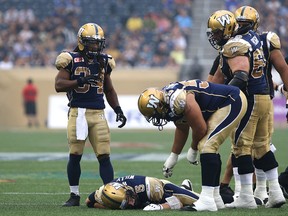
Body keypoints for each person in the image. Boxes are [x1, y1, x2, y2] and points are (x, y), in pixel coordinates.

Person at [207, 9, 286, 209]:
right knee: (262, 146)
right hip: (265, 97)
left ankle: (246, 196)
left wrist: (224, 99)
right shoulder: (259, 40)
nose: (215, 36)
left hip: (249, 97)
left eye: (217, 32)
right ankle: (274, 191)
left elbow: (239, 76)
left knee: (241, 147)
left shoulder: (235, 45)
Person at [138, 79, 248, 211]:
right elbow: (182, 127)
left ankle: (207, 200)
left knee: (207, 146)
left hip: (232, 100)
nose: (155, 118)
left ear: (159, 105)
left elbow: (200, 128)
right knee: (209, 146)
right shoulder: (168, 99)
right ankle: (216, 198)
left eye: (154, 113)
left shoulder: (178, 99)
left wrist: (193, 148)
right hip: (226, 102)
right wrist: (174, 155)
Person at [54, 23, 127, 207]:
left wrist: (117, 109)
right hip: (78, 112)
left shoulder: (104, 61)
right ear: (81, 42)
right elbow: (59, 85)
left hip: (98, 114)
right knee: (75, 154)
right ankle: (74, 195)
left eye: (98, 43)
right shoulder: (69, 59)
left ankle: (109, 194)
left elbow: (109, 89)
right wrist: (78, 81)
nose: (95, 47)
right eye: (91, 43)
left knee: (104, 155)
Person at [85, 175, 199, 210]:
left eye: (128, 199)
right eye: (124, 204)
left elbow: (176, 203)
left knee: (201, 202)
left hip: (164, 188)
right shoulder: (103, 193)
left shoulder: (147, 187)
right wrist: (109, 206)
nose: (131, 204)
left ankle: (185, 188)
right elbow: (88, 202)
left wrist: (159, 207)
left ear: (128, 190)